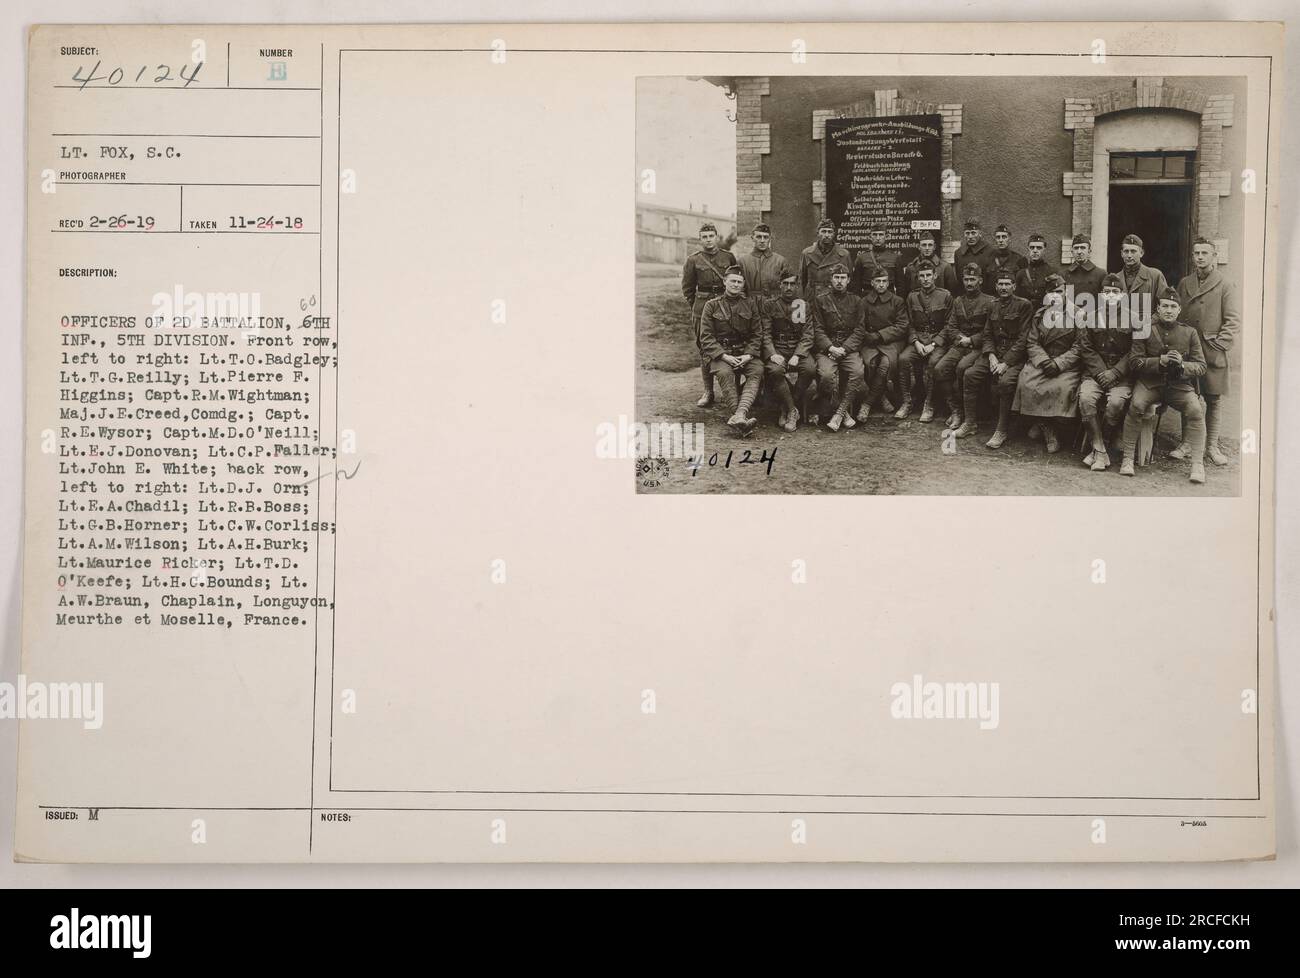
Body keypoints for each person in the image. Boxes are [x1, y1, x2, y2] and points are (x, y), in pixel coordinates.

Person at [1118, 288, 1208, 484]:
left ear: (1179, 310)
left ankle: (1197, 464)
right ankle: (1127, 459)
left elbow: (1201, 366)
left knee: (1195, 409)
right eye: (1165, 306)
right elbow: (1134, 362)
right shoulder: (1144, 328)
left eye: (1173, 306)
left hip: (1178, 386)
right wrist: (1160, 361)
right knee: (1136, 406)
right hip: (1150, 384)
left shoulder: (1190, 332)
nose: (1169, 310)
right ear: (1157, 308)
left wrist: (1182, 364)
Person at [1174, 237, 1239, 466]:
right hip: (1190, 351)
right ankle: (1186, 443)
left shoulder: (1225, 284)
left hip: (1212, 351)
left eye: (1204, 253)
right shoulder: (1184, 283)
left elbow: (1232, 321)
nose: (1200, 257)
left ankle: (1211, 446)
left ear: (1214, 257)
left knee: (1213, 400)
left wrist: (1217, 344)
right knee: (1187, 396)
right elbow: (1178, 315)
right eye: (1196, 253)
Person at [1012, 275, 1085, 454]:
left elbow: (1080, 345)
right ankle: (1045, 425)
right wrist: (1045, 361)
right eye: (1051, 292)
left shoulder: (1078, 314)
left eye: (1059, 292)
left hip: (1066, 364)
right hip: (1043, 361)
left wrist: (1058, 364)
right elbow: (1032, 342)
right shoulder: (1040, 314)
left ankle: (1052, 427)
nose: (1056, 296)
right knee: (1026, 381)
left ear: (1066, 291)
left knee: (1063, 388)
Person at [1077, 274, 1142, 471]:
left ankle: (1100, 444)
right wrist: (1101, 373)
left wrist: (1114, 373)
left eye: (1115, 292)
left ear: (1122, 295)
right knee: (1086, 399)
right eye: (1107, 293)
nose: (1111, 296)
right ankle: (1101, 450)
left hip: (1121, 375)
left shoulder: (1134, 319)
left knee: (1115, 402)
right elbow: (1085, 348)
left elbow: (1136, 351)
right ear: (1100, 295)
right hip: (1095, 374)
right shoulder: (1090, 316)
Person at [699, 266, 764, 435]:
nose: (735, 285)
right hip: (722, 354)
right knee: (725, 373)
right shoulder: (711, 306)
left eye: (739, 282)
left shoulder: (750, 304)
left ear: (743, 285)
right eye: (732, 281)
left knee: (757, 370)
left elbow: (758, 333)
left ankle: (739, 415)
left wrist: (748, 355)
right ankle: (739, 415)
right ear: (725, 282)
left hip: (744, 353)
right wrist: (724, 356)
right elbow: (706, 337)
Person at [971, 268, 1033, 444]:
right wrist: (990, 355)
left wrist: (1006, 363)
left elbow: (1024, 339)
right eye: (1000, 284)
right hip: (995, 354)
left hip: (1015, 357)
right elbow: (988, 334)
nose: (1004, 287)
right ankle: (969, 422)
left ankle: (1001, 430)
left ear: (1014, 286)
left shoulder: (1024, 305)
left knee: (1005, 383)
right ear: (995, 286)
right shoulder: (992, 304)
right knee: (970, 375)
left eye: (1007, 284)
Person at [681, 222, 738, 407]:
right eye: (704, 237)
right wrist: (698, 308)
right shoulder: (693, 260)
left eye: (711, 236)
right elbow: (688, 289)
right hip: (702, 306)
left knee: (730, 345)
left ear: (717, 237)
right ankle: (708, 391)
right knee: (705, 349)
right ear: (700, 239)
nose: (708, 240)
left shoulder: (728, 257)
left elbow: (735, 279)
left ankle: (734, 389)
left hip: (724, 306)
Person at [935, 263, 994, 432]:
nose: (969, 283)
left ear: (980, 280)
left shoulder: (989, 301)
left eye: (973, 279)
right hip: (960, 344)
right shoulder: (958, 301)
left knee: (962, 368)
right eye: (966, 279)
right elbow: (951, 326)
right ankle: (956, 410)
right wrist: (960, 339)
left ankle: (970, 415)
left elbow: (991, 331)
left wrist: (972, 340)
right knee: (939, 369)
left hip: (978, 347)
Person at [894, 259, 952, 422]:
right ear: (918, 278)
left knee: (934, 362)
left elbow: (949, 325)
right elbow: (909, 323)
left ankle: (929, 403)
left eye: (928, 275)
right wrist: (916, 342)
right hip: (918, 339)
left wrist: (934, 344)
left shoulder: (945, 295)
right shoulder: (912, 297)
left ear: (935, 275)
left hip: (937, 341)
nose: (925, 279)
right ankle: (907, 402)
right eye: (922, 276)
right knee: (903, 359)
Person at [811, 263, 867, 431]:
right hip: (827, 349)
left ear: (848, 280)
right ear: (831, 280)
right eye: (836, 278)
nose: (840, 282)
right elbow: (817, 328)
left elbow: (860, 329)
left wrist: (845, 348)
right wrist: (830, 347)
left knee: (858, 372)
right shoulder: (820, 300)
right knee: (827, 376)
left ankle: (839, 412)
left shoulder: (857, 301)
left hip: (847, 349)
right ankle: (842, 412)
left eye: (843, 278)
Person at [761, 271, 816, 432]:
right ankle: (792, 410)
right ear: (780, 285)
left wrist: (798, 355)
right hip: (777, 348)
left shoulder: (802, 305)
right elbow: (765, 333)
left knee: (810, 369)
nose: (789, 287)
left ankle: (788, 406)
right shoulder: (770, 305)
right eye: (785, 283)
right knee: (775, 370)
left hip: (797, 348)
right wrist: (772, 354)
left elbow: (808, 334)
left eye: (793, 284)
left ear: (797, 286)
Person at [857, 263, 909, 420]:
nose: (881, 284)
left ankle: (867, 403)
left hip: (891, 341)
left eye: (884, 281)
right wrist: (867, 335)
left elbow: (902, 326)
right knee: (869, 363)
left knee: (886, 363)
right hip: (870, 341)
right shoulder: (864, 302)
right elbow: (859, 324)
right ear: (872, 283)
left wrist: (880, 335)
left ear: (888, 283)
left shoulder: (897, 301)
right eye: (878, 281)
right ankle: (881, 396)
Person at [1116, 233, 1169, 323]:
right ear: (1121, 254)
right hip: (1121, 331)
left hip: (1147, 331)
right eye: (1126, 251)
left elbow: (1165, 305)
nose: (1129, 255)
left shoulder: (1155, 275)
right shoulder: (1116, 278)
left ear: (1141, 253)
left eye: (1133, 251)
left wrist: (1148, 322)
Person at [800, 218, 852, 301]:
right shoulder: (807, 253)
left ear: (834, 234)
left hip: (834, 298)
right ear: (818, 233)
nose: (827, 235)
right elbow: (802, 280)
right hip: (813, 298)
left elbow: (849, 282)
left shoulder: (844, 255)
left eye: (829, 232)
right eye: (823, 231)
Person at [739, 222, 792, 299]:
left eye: (765, 237)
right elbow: (739, 290)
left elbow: (788, 287)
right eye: (759, 237)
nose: (762, 241)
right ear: (752, 238)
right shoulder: (742, 262)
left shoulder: (781, 261)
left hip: (775, 305)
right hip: (751, 305)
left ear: (770, 239)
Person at [852, 224, 900, 294]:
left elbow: (900, 285)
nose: (878, 238)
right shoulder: (861, 258)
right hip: (867, 298)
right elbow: (856, 285)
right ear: (870, 237)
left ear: (886, 237)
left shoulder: (895, 257)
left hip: (889, 299)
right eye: (874, 235)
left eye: (881, 235)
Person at [1014, 232, 1055, 309]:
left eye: (1039, 248)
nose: (1035, 250)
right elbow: (1016, 299)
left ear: (1044, 249)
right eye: (1032, 247)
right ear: (1028, 249)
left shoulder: (1051, 272)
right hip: (1025, 315)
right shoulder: (1021, 274)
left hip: (1044, 314)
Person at [1061, 233, 1105, 306]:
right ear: (1072, 252)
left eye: (1083, 248)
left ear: (1089, 251)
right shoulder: (1063, 275)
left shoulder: (1101, 274)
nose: (1079, 252)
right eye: (1076, 248)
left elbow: (1103, 303)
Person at [984, 224, 1026, 296]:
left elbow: (1023, 286)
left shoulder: (1019, 259)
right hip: (992, 301)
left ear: (1009, 239)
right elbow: (984, 284)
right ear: (995, 240)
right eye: (998, 237)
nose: (1001, 240)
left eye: (1004, 237)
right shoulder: (988, 258)